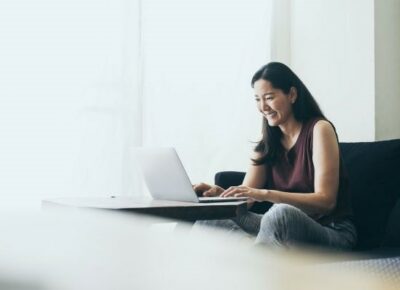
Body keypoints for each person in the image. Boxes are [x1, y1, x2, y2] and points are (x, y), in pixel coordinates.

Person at [192, 62, 357, 249]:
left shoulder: (319, 129)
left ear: (292, 95)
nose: (263, 107)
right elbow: (246, 200)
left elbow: (326, 201)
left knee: (280, 214)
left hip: (332, 231)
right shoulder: (267, 143)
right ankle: (254, 258)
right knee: (210, 219)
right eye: (257, 99)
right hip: (281, 229)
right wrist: (218, 194)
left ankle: (254, 262)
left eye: (269, 97)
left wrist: (265, 194)